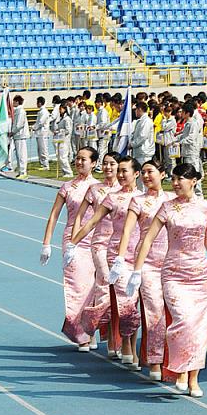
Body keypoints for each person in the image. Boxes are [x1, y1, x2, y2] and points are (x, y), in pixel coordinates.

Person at [127, 163, 207, 397]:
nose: (176, 183)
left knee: (202, 328)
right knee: (183, 321)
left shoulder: (206, 207)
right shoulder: (166, 208)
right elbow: (147, 239)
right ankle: (180, 371)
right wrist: (136, 271)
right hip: (173, 274)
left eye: (181, 178)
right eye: (174, 178)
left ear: (195, 180)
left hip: (199, 274)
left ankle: (193, 379)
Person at [68, 156, 142, 368]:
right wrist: (73, 243)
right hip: (116, 254)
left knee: (133, 301)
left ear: (135, 173)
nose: (119, 174)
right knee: (125, 299)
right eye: (118, 170)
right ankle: (123, 344)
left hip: (139, 255)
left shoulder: (143, 198)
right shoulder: (111, 198)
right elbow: (91, 221)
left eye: (124, 170)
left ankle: (123, 339)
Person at [111, 159, 176, 380]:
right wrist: (120, 260)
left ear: (163, 174)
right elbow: (127, 232)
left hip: (172, 264)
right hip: (146, 264)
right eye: (145, 173)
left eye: (151, 172)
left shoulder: (172, 200)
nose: (147, 176)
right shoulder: (138, 202)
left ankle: (175, 361)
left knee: (175, 314)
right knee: (154, 311)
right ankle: (155, 362)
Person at [40, 147, 101, 350]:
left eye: (84, 159)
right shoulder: (67, 187)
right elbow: (54, 215)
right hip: (72, 241)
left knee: (94, 288)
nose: (79, 162)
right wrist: (46, 244)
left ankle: (90, 332)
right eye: (77, 158)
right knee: (77, 286)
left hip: (95, 240)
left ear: (93, 163)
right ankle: (79, 334)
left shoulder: (100, 187)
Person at [71, 151, 121, 356]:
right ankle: (88, 329)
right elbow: (82, 218)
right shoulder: (95, 190)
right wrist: (72, 243)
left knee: (119, 294)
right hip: (100, 245)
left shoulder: (127, 192)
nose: (108, 168)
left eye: (113, 164)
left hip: (121, 247)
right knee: (104, 290)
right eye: (106, 164)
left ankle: (113, 341)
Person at [10, 95, 30, 179]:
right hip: (17, 136)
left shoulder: (21, 111)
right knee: (18, 154)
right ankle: (20, 171)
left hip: (20, 135)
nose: (13, 103)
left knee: (22, 154)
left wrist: (13, 131)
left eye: (14, 101)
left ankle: (23, 172)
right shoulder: (17, 110)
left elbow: (19, 124)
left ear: (17, 102)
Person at [53, 104, 74, 177]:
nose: (59, 110)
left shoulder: (67, 119)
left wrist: (60, 131)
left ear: (64, 109)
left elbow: (68, 130)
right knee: (59, 156)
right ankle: (64, 171)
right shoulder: (61, 118)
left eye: (61, 109)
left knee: (63, 156)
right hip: (60, 139)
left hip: (65, 140)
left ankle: (69, 172)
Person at [32, 96, 50, 171]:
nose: (36, 104)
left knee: (43, 149)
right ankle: (43, 164)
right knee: (40, 149)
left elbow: (41, 122)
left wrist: (34, 127)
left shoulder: (44, 112)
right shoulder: (40, 111)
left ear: (40, 103)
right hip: (39, 133)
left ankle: (46, 165)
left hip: (43, 133)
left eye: (37, 102)